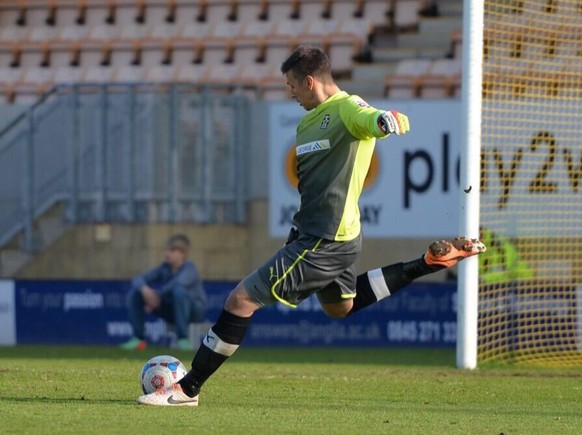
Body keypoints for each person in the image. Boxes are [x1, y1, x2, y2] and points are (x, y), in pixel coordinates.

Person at [137, 46, 486, 406]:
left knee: (240, 300)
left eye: (291, 85)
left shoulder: (347, 108)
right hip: (330, 235)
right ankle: (426, 263)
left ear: (309, 81)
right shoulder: (306, 123)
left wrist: (386, 120)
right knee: (340, 308)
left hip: (326, 239)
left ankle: (186, 389)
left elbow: (370, 118)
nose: (290, 93)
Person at [120, 234, 206, 351]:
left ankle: (183, 339)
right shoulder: (164, 268)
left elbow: (177, 284)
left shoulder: (190, 269)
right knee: (136, 293)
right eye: (166, 250)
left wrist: (157, 295)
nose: (167, 253)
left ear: (183, 254)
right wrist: (145, 290)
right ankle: (138, 339)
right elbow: (138, 279)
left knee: (178, 291)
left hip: (193, 312)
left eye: (172, 250)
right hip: (171, 310)